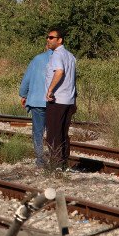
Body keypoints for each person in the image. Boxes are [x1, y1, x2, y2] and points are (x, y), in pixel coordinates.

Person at [44, 27, 77, 169]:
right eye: (48, 37)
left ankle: (56, 164)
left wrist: (50, 90)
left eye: (51, 37)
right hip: (68, 100)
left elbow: (60, 71)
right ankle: (63, 163)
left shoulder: (57, 55)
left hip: (57, 100)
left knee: (53, 133)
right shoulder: (70, 56)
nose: (48, 40)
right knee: (63, 133)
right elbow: (72, 78)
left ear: (60, 40)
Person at [19, 40, 53, 167]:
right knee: (53, 131)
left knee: (38, 131)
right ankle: (55, 158)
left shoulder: (37, 59)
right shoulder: (65, 58)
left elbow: (27, 79)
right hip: (55, 102)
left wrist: (23, 94)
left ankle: (40, 159)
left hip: (37, 101)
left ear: (46, 47)